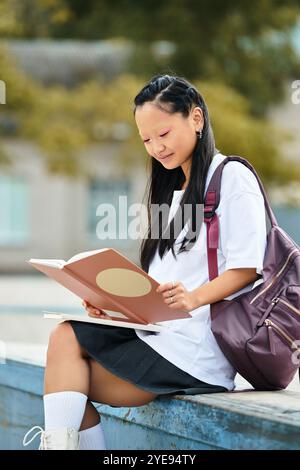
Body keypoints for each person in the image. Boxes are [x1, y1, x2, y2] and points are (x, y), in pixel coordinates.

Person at [23, 74, 267, 450]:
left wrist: (194, 298)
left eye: (164, 134)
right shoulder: (171, 194)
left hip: (197, 353)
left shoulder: (232, 176)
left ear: (196, 119)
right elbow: (157, 298)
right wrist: (111, 310)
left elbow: (248, 266)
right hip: (160, 341)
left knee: (66, 355)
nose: (156, 148)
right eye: (147, 140)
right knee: (67, 368)